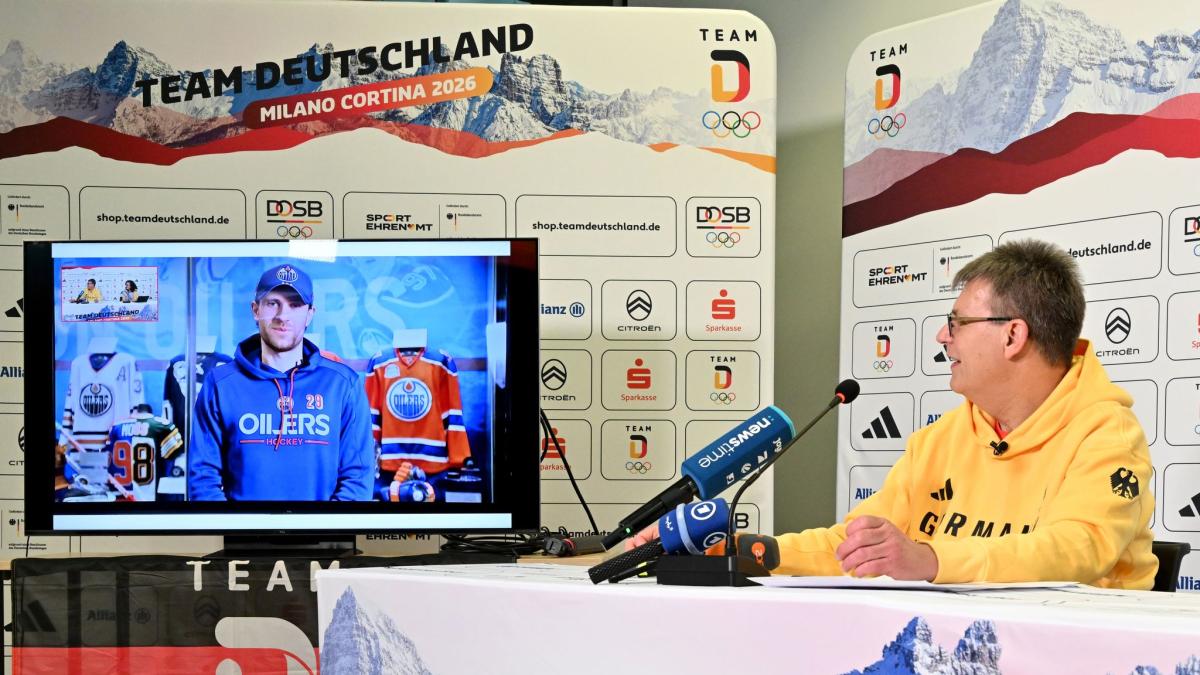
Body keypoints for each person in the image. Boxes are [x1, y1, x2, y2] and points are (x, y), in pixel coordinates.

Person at [630, 240, 1157, 589]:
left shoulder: (1105, 431)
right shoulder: (940, 439)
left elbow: (1078, 549)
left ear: (1013, 335)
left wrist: (931, 561)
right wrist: (743, 549)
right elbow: (856, 545)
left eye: (957, 322)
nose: (942, 336)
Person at [188, 263, 373, 501]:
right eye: (273, 303)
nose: (282, 316)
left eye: (295, 305)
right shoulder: (220, 384)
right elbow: (203, 479)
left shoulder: (343, 384)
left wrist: (325, 523)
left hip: (323, 527)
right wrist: (235, 524)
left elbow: (357, 479)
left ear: (310, 314)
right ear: (255, 310)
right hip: (241, 526)